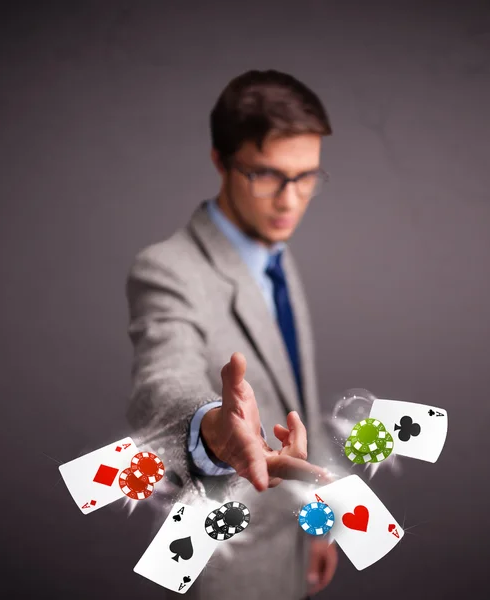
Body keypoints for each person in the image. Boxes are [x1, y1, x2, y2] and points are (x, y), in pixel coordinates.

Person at [126, 70, 338, 600]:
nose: (291, 200)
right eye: (267, 175)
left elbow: (295, 410)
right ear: (221, 161)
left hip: (289, 539)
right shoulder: (167, 269)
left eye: (307, 176)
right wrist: (212, 427)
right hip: (228, 560)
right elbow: (162, 381)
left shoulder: (275, 255)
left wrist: (317, 520)